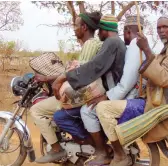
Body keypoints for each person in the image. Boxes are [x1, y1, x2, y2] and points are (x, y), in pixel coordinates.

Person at [96, 14, 168, 166]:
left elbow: (165, 78)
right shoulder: (167, 48)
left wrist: (147, 49)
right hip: (153, 99)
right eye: (158, 28)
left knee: (102, 108)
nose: (161, 31)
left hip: (160, 103)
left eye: (165, 27)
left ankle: (120, 155)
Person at [54, 15, 147, 166]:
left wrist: (63, 78)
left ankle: (102, 151)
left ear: (105, 30)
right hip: (117, 91)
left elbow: (95, 67)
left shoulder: (112, 42)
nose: (98, 33)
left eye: (100, 30)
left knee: (86, 110)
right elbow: (96, 65)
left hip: (118, 93)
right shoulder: (120, 44)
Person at [31, 11, 102, 163]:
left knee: (36, 110)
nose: (73, 28)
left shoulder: (90, 44)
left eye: (75, 25)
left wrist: (52, 79)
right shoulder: (93, 44)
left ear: (84, 27)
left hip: (82, 96)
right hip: (89, 93)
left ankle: (57, 150)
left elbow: (81, 74)